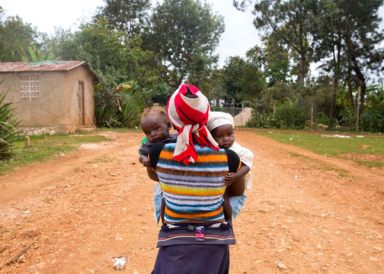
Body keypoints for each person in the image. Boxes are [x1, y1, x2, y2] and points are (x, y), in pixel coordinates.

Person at [146, 84, 244, 274]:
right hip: (214, 243)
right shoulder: (229, 157)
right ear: (205, 115)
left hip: (175, 242)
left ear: (172, 120)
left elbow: (154, 176)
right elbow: (237, 191)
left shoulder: (158, 153)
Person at [206, 111, 254, 220]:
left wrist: (236, 176)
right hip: (221, 183)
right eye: (220, 136)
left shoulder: (238, 150)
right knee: (223, 197)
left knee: (225, 198)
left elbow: (247, 165)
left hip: (234, 183)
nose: (226, 139)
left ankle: (229, 223)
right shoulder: (213, 150)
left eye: (229, 134)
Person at [139, 106, 177, 223]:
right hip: (163, 180)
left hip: (179, 176)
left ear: (169, 126)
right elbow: (142, 154)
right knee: (162, 200)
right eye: (148, 133)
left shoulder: (177, 138)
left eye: (156, 129)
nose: (152, 134)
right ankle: (164, 223)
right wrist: (145, 160)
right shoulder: (150, 144)